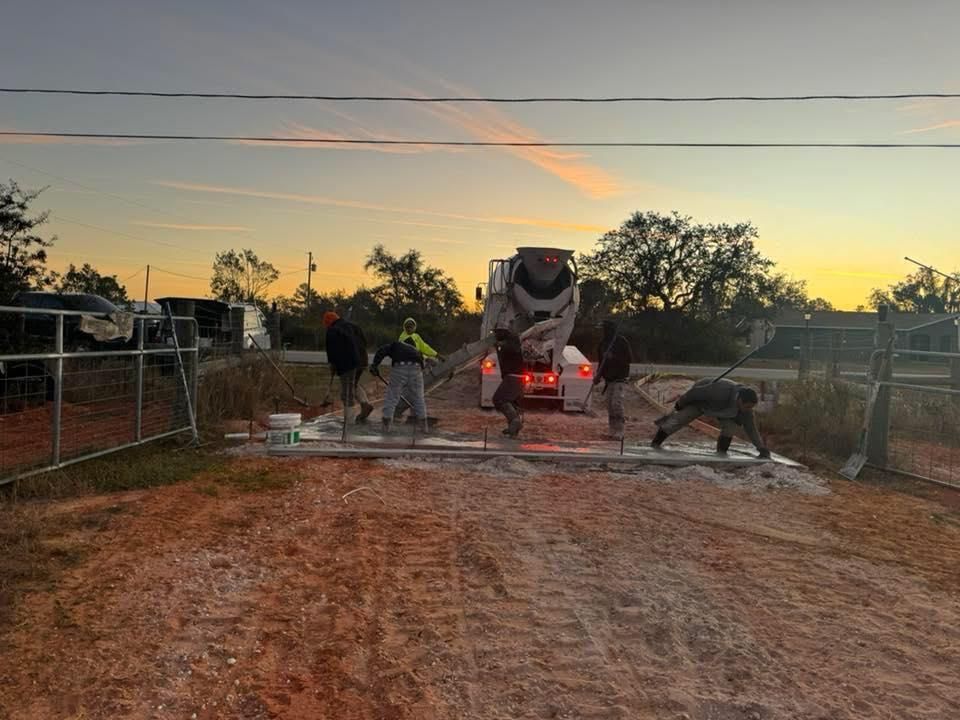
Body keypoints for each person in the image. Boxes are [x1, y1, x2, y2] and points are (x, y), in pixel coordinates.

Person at [651, 378, 771, 458]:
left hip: (723, 411)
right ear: (739, 400)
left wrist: (760, 447)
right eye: (748, 406)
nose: (749, 409)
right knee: (678, 420)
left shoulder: (746, 411)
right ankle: (655, 443)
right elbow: (694, 393)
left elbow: (751, 429)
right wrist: (680, 404)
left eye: (751, 407)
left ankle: (721, 453)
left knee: (730, 429)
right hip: (702, 400)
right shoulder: (720, 390)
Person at [323, 311, 374, 424]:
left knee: (347, 391)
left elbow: (331, 350)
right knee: (353, 384)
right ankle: (365, 404)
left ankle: (349, 422)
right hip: (362, 359)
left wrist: (333, 364)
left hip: (348, 363)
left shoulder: (332, 330)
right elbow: (364, 341)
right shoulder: (353, 326)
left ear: (328, 322)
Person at [370, 339, 428, 433]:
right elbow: (423, 366)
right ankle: (424, 428)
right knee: (419, 399)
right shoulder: (416, 351)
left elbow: (381, 350)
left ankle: (385, 428)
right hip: (417, 369)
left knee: (392, 397)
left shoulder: (396, 344)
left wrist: (374, 365)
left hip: (400, 367)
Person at [393, 318, 444, 420]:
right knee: (411, 390)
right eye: (407, 327)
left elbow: (424, 347)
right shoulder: (404, 339)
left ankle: (412, 413)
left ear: (414, 327)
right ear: (404, 327)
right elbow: (412, 354)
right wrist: (427, 359)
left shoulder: (416, 336)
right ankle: (398, 411)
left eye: (411, 327)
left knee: (415, 391)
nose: (409, 329)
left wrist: (436, 355)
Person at [594, 320, 633, 440]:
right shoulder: (602, 344)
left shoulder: (621, 342)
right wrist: (598, 376)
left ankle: (620, 430)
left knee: (617, 404)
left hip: (620, 379)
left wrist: (613, 357)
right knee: (610, 406)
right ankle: (612, 430)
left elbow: (629, 359)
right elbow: (602, 363)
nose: (603, 332)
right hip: (609, 380)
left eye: (605, 329)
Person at [492, 327, 525, 438]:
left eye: (496, 332)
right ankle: (513, 430)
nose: (495, 334)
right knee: (511, 402)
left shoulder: (511, 343)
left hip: (513, 376)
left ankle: (515, 422)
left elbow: (509, 348)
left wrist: (499, 344)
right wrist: (498, 346)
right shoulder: (512, 342)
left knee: (499, 399)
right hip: (517, 377)